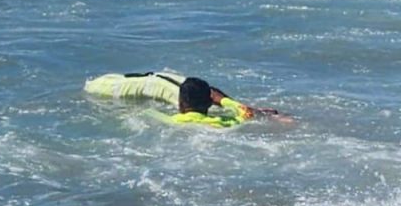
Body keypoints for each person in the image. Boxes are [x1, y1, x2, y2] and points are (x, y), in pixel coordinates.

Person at [84, 70, 288, 128]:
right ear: (211, 101)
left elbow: (141, 114)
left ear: (180, 105)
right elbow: (245, 113)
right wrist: (227, 102)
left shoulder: (166, 119)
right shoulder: (227, 122)